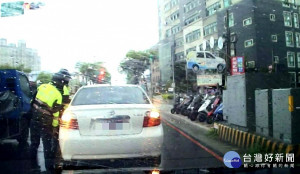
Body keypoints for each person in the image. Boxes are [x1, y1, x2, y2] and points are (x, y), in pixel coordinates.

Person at [29, 70, 70, 171]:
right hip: (46, 123)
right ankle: (49, 169)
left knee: (34, 143)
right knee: (47, 146)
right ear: (62, 81)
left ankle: (31, 166)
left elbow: (32, 100)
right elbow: (56, 113)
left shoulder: (42, 86)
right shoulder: (58, 94)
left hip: (34, 118)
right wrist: (55, 127)